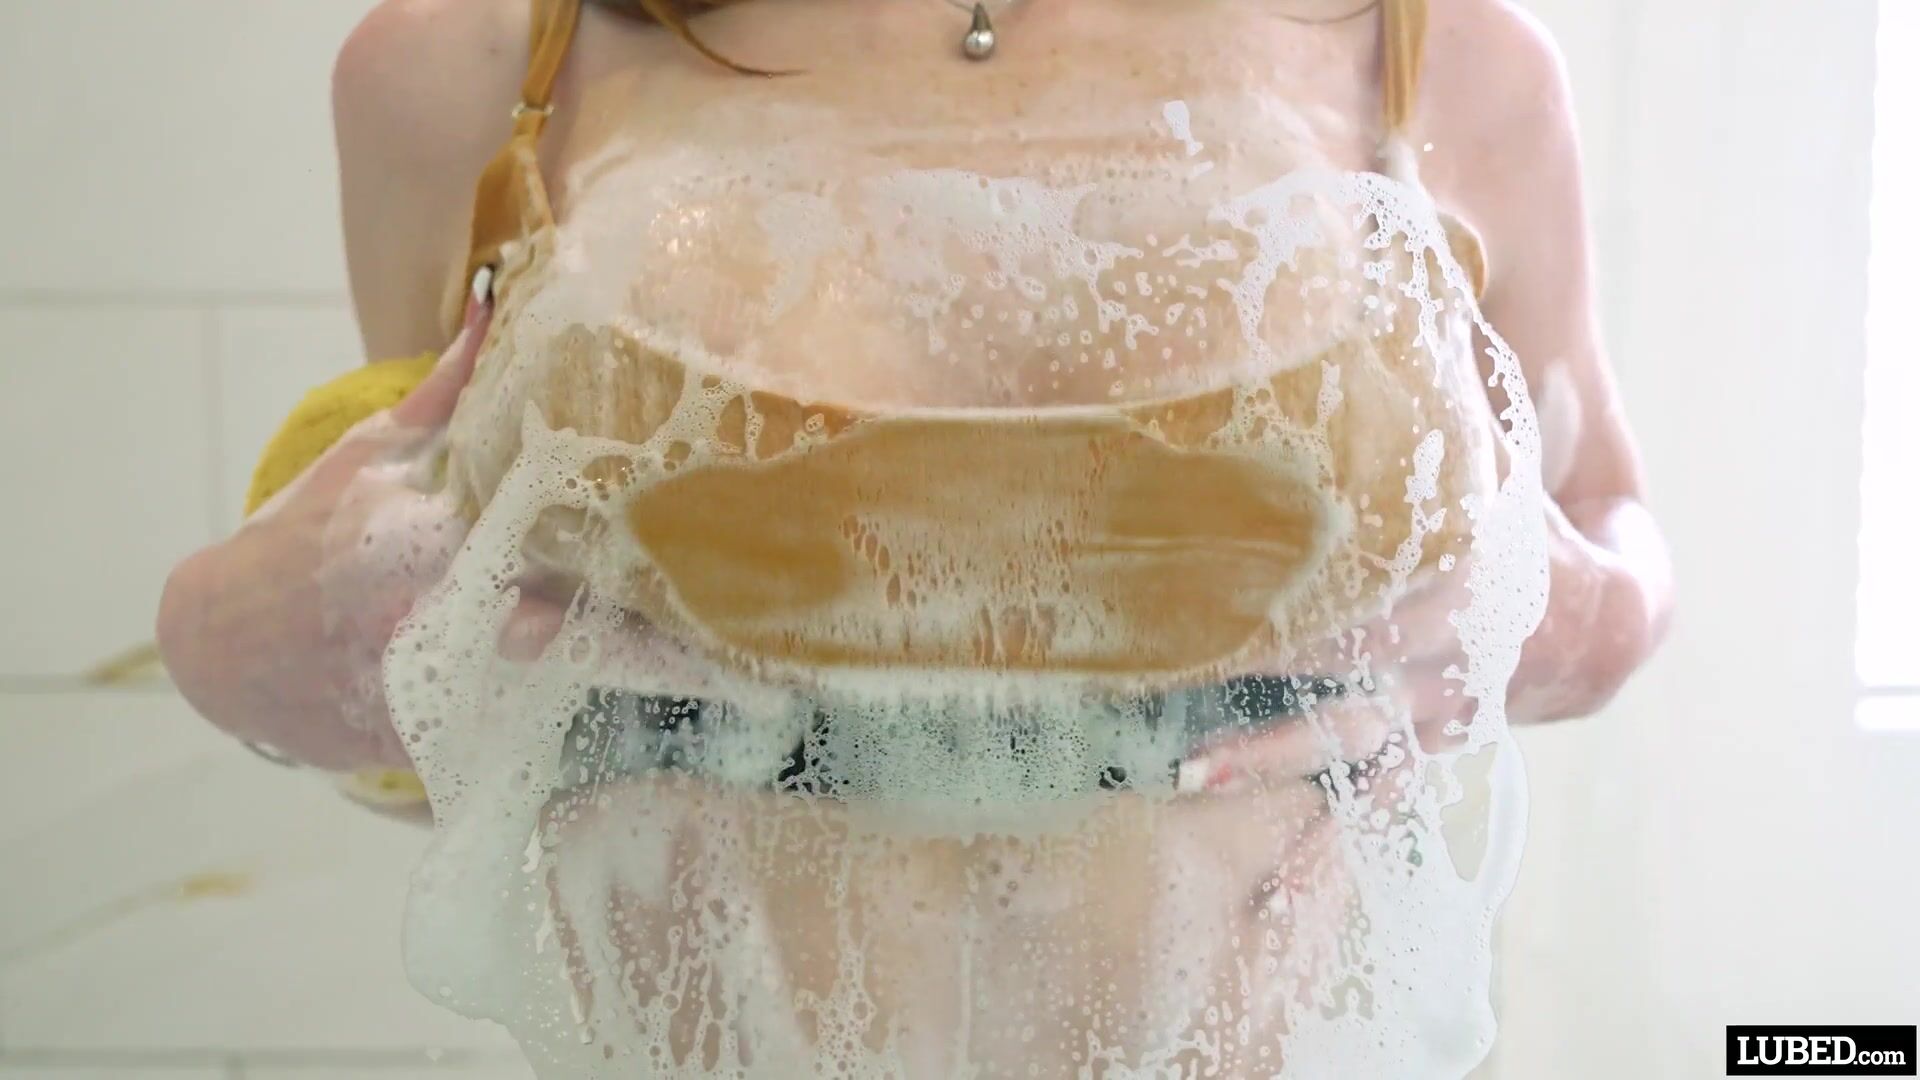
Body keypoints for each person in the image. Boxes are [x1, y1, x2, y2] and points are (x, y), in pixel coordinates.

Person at [155, 0, 1674, 1071]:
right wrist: (221, 640)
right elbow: (442, 661)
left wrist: (1575, 615)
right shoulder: (473, 62)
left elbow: (1610, 517)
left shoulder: (1442, 54)